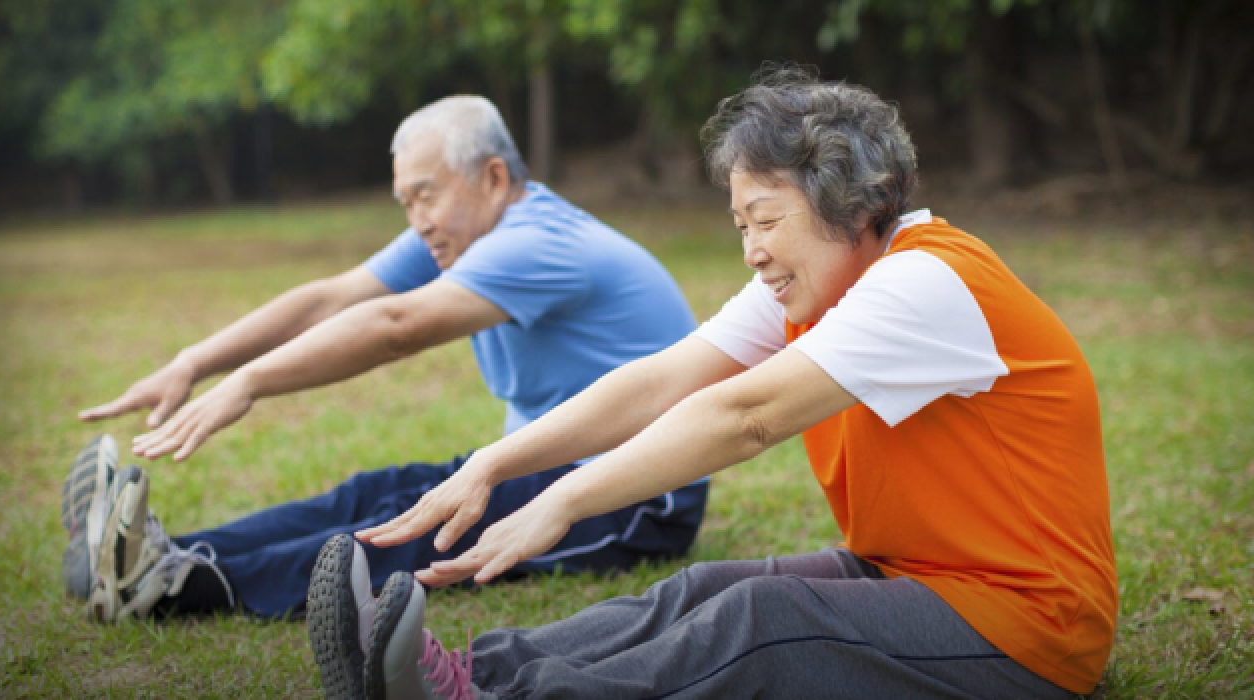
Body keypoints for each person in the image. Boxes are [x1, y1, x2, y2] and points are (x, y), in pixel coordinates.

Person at [311, 69, 1117, 700]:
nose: (752, 251)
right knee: (697, 590)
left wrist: (562, 500)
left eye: (766, 220)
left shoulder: (927, 283)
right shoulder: (817, 281)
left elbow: (747, 418)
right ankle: (453, 674)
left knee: (760, 622)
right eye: (741, 227)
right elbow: (662, 380)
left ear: (849, 201)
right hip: (916, 576)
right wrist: (495, 465)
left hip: (1029, 633)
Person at [64, 95, 708, 625]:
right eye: (406, 202)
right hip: (541, 460)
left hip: (638, 497)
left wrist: (252, 382)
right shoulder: (461, 230)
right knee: (377, 494)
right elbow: (331, 299)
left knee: (412, 527)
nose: (417, 220)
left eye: (426, 195)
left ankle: (180, 586)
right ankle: (167, 553)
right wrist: (195, 361)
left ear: (492, 178)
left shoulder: (538, 243)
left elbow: (394, 327)